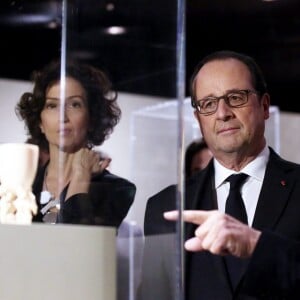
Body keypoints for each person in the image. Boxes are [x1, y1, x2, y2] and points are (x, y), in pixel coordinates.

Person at [140, 50, 300, 299]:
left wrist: (257, 247)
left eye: (235, 97)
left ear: (264, 106)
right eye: (208, 104)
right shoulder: (166, 206)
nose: (222, 113)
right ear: (198, 118)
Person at [16, 58, 136, 227]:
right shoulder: (22, 186)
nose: (62, 117)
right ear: (40, 122)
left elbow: (76, 243)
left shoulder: (116, 189)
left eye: (74, 104)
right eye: (52, 106)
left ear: (92, 118)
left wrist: (80, 179)